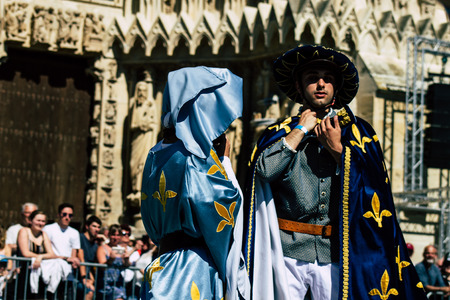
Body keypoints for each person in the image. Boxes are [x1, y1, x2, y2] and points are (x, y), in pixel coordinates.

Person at [243, 44, 427, 299]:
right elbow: (263, 172)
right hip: (286, 253)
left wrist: (339, 150)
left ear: (336, 88)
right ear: (299, 87)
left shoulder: (359, 134)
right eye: (312, 79)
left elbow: (374, 187)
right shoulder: (280, 133)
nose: (320, 85)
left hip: (335, 254)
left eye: (327, 79)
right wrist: (300, 131)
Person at [140, 66, 249, 299]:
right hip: (192, 268)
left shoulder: (154, 154)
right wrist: (225, 163)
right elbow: (222, 205)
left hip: (163, 263)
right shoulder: (195, 156)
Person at [17, 210, 71, 297]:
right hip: (25, 272)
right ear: (31, 221)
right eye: (38, 220)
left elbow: (51, 254)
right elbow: (25, 253)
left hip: (40, 274)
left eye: (43, 221)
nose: (40, 223)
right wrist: (40, 257)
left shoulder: (43, 234)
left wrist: (40, 257)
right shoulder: (24, 231)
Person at [43, 203, 81, 298]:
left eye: (70, 215)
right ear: (59, 214)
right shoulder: (48, 229)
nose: (67, 217)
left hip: (67, 274)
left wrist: (73, 260)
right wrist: (65, 258)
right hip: (50, 271)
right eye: (64, 214)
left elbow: (74, 253)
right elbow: (46, 251)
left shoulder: (74, 233)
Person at [96, 224, 130, 300]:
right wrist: (110, 259)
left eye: (118, 235)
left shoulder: (122, 249)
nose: (115, 237)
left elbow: (127, 265)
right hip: (106, 284)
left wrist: (127, 259)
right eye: (113, 235)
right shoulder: (102, 248)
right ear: (109, 235)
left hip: (119, 283)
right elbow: (102, 267)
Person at [77, 215, 102, 300]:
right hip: (77, 275)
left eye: (98, 227)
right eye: (94, 226)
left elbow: (92, 266)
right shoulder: (80, 238)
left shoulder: (96, 245)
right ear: (87, 226)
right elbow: (81, 259)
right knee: (89, 292)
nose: (97, 229)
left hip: (88, 277)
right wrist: (84, 278)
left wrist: (91, 280)